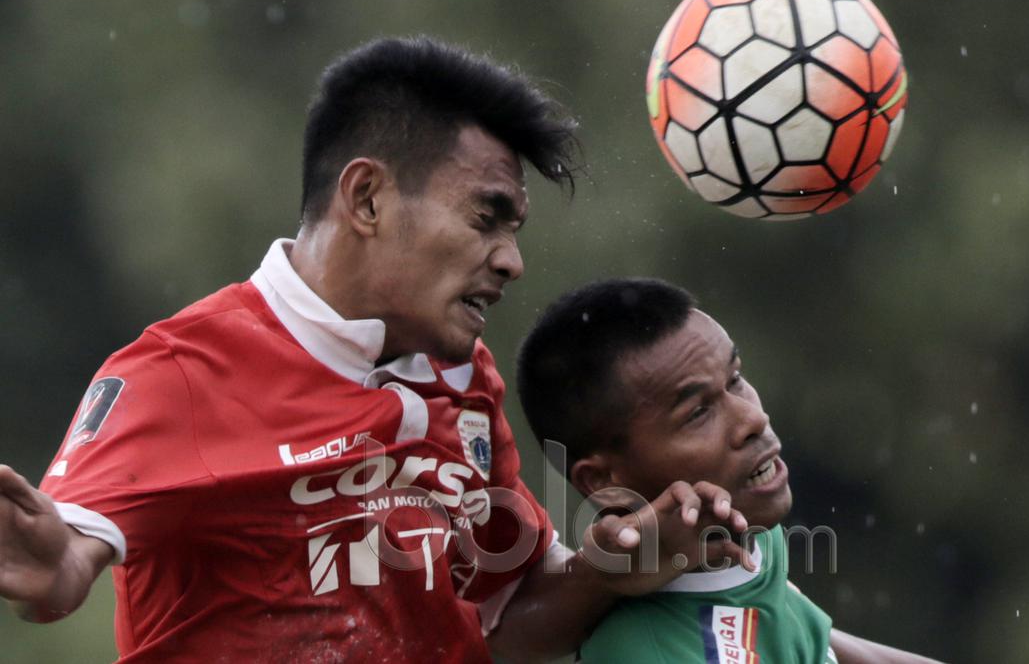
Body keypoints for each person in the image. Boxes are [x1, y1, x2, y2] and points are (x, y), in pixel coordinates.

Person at [0, 37, 747, 663]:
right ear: (366, 199)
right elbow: (64, 567)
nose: (511, 260)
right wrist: (45, 563)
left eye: (514, 230)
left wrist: (617, 569)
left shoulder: (464, 380)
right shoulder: (180, 374)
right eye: (487, 218)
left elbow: (501, 624)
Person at [517, 277, 943, 663]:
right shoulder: (646, 653)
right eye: (697, 412)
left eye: (736, 378)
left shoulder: (745, 538)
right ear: (605, 481)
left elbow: (810, 639)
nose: (751, 419)